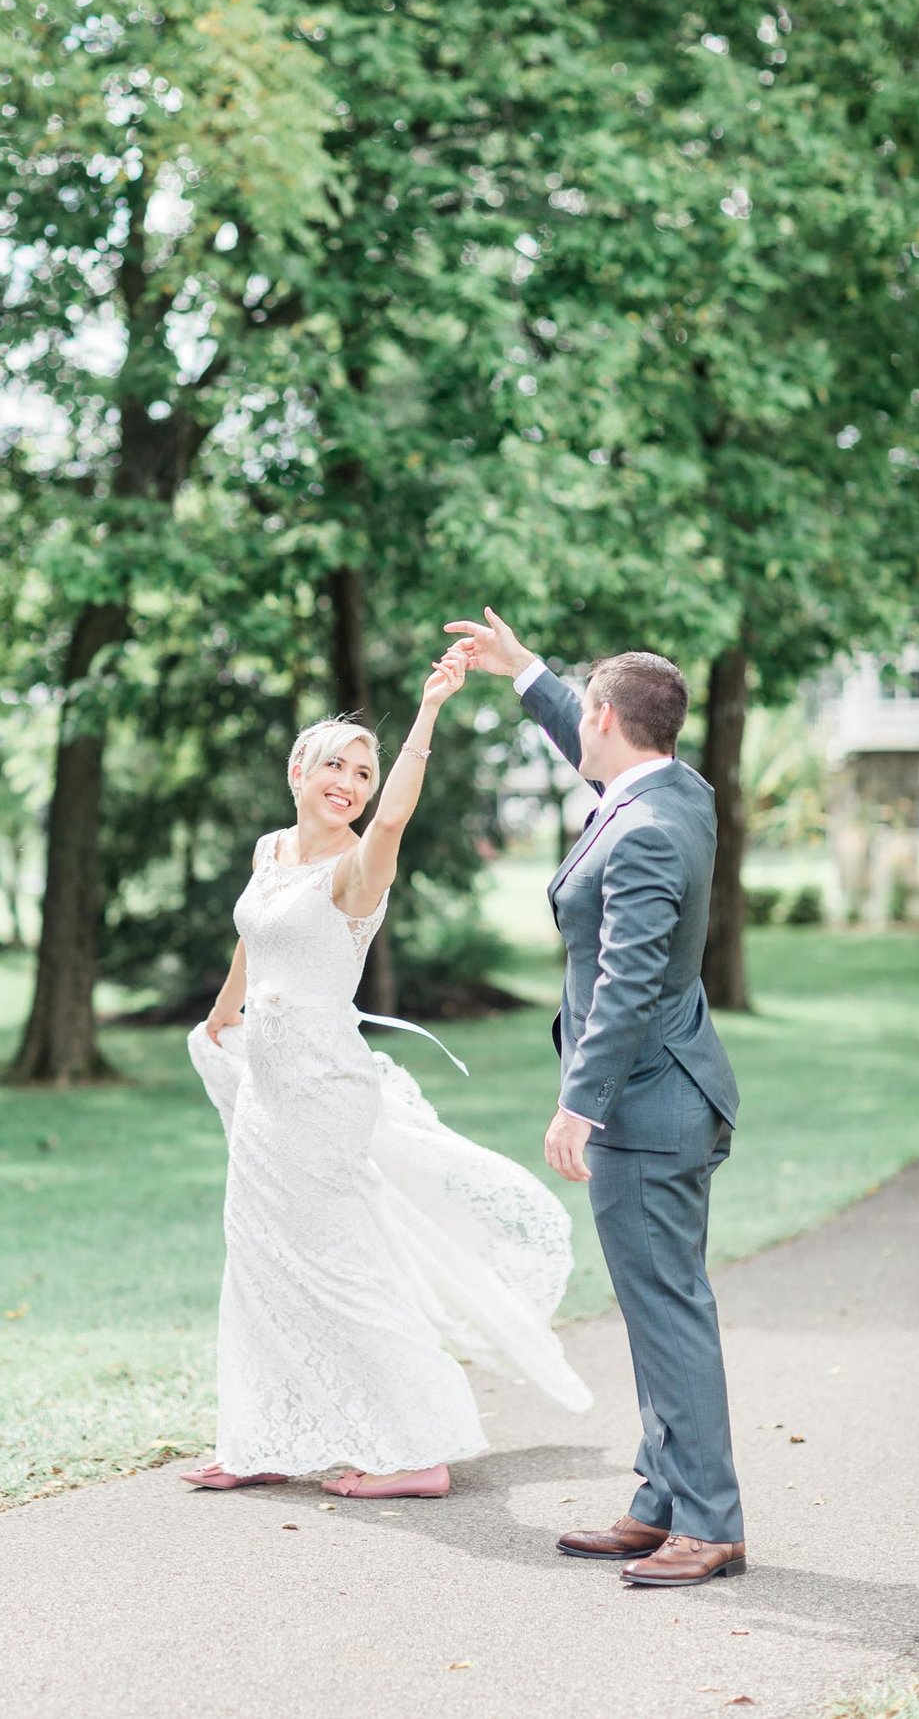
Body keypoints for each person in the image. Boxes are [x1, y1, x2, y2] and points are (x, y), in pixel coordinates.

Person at [180, 647, 588, 1501]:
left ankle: (418, 1448)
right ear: (298, 771)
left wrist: (429, 713)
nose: (350, 781)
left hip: (326, 1091)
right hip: (267, 1084)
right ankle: (264, 1435)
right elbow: (256, 940)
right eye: (335, 763)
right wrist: (224, 1015)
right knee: (256, 1257)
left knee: (339, 1264)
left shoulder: (358, 869)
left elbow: (396, 818)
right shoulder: (272, 850)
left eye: (362, 773)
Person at [448, 609, 749, 1587]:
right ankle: (660, 1501)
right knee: (660, 1307)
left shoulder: (648, 831)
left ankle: (708, 1522)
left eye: (583, 709)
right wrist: (523, 670)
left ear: (609, 719)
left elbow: (624, 980)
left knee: (667, 1314)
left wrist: (580, 1103)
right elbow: (601, 764)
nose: (578, 724)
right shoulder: (674, 791)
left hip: (646, 1105)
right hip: (673, 1091)